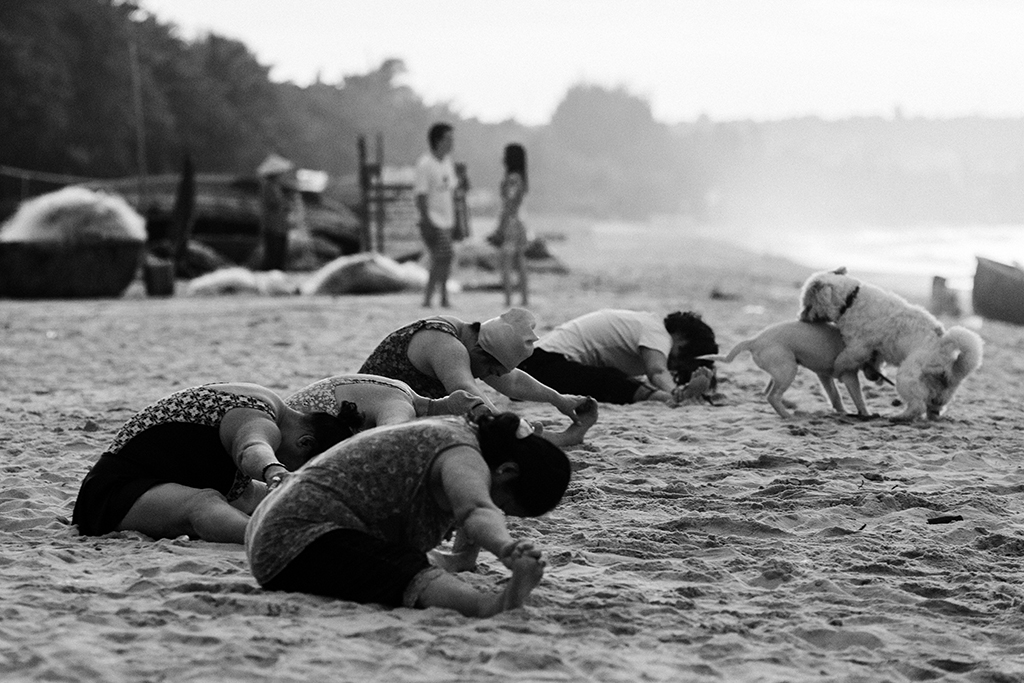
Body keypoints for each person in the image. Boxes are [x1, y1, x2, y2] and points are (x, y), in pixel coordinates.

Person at [246, 412, 569, 617]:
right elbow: (476, 509)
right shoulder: (463, 454)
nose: (499, 512)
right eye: (505, 507)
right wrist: (506, 549)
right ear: (507, 471)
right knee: (401, 569)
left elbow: (472, 519)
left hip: (281, 534)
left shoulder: (461, 435)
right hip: (299, 542)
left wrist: (464, 558)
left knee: (401, 559)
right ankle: (488, 606)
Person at [71, 382, 350, 544]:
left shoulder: (263, 403)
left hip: (153, 484)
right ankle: (275, 539)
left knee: (251, 500)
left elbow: (249, 492)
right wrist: (275, 469)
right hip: (109, 496)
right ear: (304, 443)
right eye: (298, 466)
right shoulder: (260, 416)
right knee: (205, 503)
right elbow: (252, 449)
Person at [358, 308, 598, 446]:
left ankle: (555, 439)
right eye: (491, 372)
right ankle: (556, 440)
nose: (490, 377)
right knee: (482, 434)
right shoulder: (447, 346)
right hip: (367, 420)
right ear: (480, 355)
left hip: (397, 412)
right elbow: (467, 393)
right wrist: (520, 429)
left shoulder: (466, 337)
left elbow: (512, 380)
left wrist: (558, 399)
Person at [518, 309, 719, 405]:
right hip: (543, 366)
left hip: (533, 368)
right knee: (610, 379)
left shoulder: (648, 324)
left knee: (614, 380)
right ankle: (673, 398)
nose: (678, 364)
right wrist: (677, 392)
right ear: (683, 339)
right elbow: (657, 371)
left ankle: (677, 397)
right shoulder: (659, 334)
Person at [285, 373, 485, 430]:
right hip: (296, 430)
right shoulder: (402, 406)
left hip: (288, 414)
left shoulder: (404, 389)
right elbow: (392, 437)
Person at [415, 122, 458, 308]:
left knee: (441, 259)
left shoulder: (447, 163)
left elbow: (451, 190)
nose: (452, 143)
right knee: (443, 256)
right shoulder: (425, 164)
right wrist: (426, 221)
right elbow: (421, 195)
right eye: (448, 139)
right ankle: (438, 297)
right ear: (438, 140)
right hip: (433, 219)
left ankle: (435, 297)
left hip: (447, 219)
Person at [488, 143, 531, 306]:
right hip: (521, 221)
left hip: (511, 223)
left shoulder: (512, 178)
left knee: (506, 262)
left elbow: (509, 204)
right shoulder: (521, 177)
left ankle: (508, 299)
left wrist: (500, 227)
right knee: (520, 261)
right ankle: (524, 298)